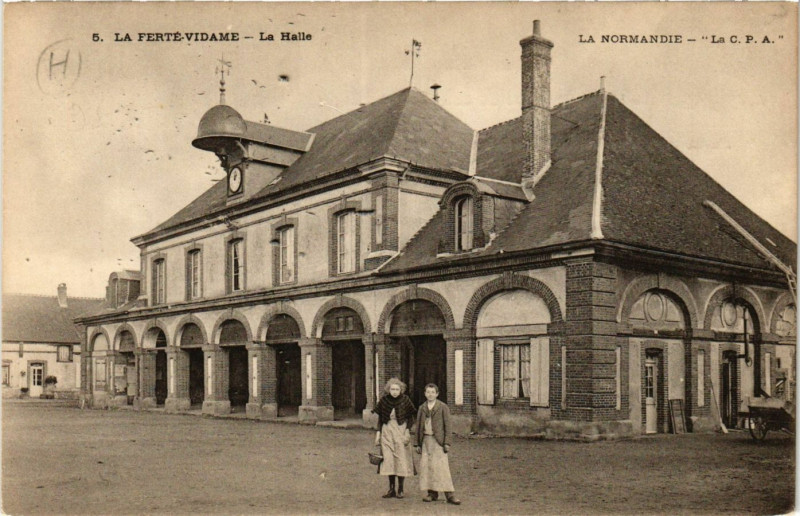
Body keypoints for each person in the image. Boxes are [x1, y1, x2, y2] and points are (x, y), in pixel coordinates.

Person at [414, 383, 461, 505]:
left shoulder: (443, 407)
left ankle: (449, 494)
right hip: (426, 441)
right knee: (428, 467)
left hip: (438, 441)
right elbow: (418, 426)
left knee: (442, 467)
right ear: (425, 394)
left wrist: (447, 442)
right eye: (428, 392)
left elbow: (448, 426)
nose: (430, 394)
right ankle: (432, 493)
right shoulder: (422, 408)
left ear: (437, 394)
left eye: (432, 392)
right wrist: (417, 444)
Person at [373, 377, 416, 499]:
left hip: (400, 431)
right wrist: (378, 434)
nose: (395, 391)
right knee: (389, 460)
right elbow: (380, 419)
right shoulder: (384, 401)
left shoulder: (405, 400)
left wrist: (407, 431)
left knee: (400, 459)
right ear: (388, 389)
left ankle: (400, 489)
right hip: (387, 431)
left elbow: (411, 418)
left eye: (397, 389)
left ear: (401, 390)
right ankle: (391, 488)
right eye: (392, 389)